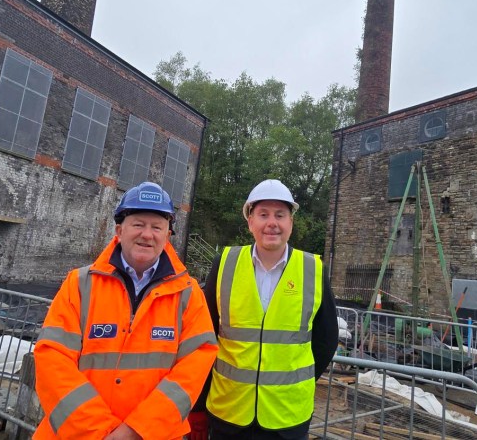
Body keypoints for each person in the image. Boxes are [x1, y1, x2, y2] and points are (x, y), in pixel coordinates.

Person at [34, 182, 218, 439]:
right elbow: (52, 359)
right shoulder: (80, 285)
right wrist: (101, 432)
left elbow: (195, 366)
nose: (147, 234)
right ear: (119, 230)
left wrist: (136, 431)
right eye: (138, 224)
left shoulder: (188, 295)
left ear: (167, 235)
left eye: (157, 227)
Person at [198, 179, 338, 440]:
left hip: (287, 418)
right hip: (228, 413)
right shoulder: (225, 263)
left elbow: (326, 340)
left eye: (280, 215)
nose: (272, 223)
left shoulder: (313, 270)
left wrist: (295, 383)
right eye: (263, 214)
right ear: (250, 222)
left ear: (291, 223)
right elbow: (205, 333)